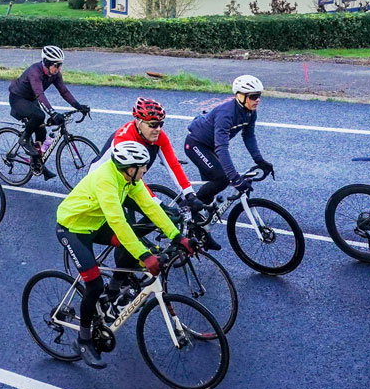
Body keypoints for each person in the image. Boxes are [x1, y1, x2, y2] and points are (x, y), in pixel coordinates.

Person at [55, 141, 188, 368]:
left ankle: (113, 292)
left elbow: (151, 207)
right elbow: (118, 222)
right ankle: (83, 340)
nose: (145, 170)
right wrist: (145, 256)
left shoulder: (129, 178)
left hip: (95, 224)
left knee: (130, 246)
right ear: (130, 168)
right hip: (72, 229)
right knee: (94, 285)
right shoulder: (106, 179)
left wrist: (176, 236)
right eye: (142, 166)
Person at [184, 75, 274, 209]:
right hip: (196, 144)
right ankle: (185, 208)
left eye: (259, 96)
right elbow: (222, 148)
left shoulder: (250, 112)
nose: (258, 100)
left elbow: (248, 136)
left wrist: (260, 160)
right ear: (240, 96)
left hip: (211, 146)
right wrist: (234, 178)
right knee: (222, 179)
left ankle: (196, 216)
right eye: (253, 96)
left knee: (210, 192)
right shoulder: (226, 114)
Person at [7, 45, 90, 179]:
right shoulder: (35, 72)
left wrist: (78, 106)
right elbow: (40, 95)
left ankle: (38, 164)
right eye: (56, 65)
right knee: (39, 115)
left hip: (30, 99)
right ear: (47, 63)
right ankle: (24, 139)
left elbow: (64, 91)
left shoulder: (54, 74)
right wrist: (53, 113)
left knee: (42, 132)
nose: (59, 68)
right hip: (18, 98)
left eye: (60, 65)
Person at [101, 97, 192, 192]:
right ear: (138, 122)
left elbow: (173, 165)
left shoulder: (159, 135)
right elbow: (132, 178)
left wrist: (189, 193)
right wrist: (154, 200)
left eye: (160, 124)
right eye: (153, 125)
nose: (158, 129)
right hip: (104, 184)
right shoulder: (124, 139)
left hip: (129, 182)